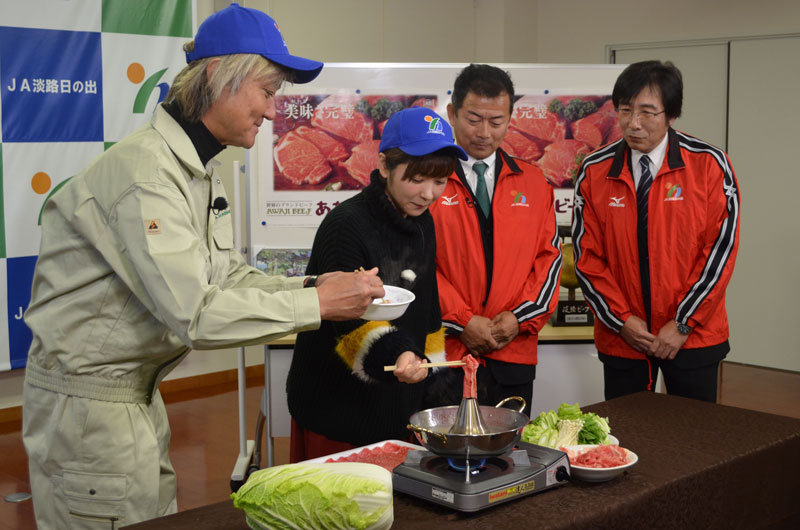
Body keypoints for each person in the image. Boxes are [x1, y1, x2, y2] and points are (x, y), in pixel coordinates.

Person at [21, 4, 384, 529]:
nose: (271, 110)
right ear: (218, 77)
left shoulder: (194, 171)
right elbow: (195, 313)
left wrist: (311, 283)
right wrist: (320, 305)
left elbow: (226, 277)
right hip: (90, 411)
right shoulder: (146, 175)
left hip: (131, 397)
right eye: (267, 91)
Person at [286, 107, 468, 461]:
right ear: (384, 166)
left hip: (398, 399)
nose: (429, 194)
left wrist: (434, 376)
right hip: (337, 406)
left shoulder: (423, 221)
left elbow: (427, 304)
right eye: (417, 179)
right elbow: (346, 320)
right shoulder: (346, 225)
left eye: (440, 181)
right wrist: (399, 353)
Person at [572, 60, 741, 403]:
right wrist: (621, 320)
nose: (634, 124)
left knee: (694, 439)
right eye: (625, 111)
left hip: (694, 337)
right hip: (624, 338)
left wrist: (682, 323)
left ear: (671, 116)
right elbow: (587, 256)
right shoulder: (593, 170)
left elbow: (720, 253)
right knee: (627, 440)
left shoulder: (709, 164)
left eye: (648, 112)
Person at [428, 64, 562, 418]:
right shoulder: (428, 180)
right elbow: (414, 262)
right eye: (474, 119)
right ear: (452, 114)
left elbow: (549, 261)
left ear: (510, 118)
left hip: (513, 348)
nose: (484, 133)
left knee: (508, 455)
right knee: (443, 457)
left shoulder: (534, 182)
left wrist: (519, 319)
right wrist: (462, 321)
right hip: (445, 349)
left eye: (496, 121)